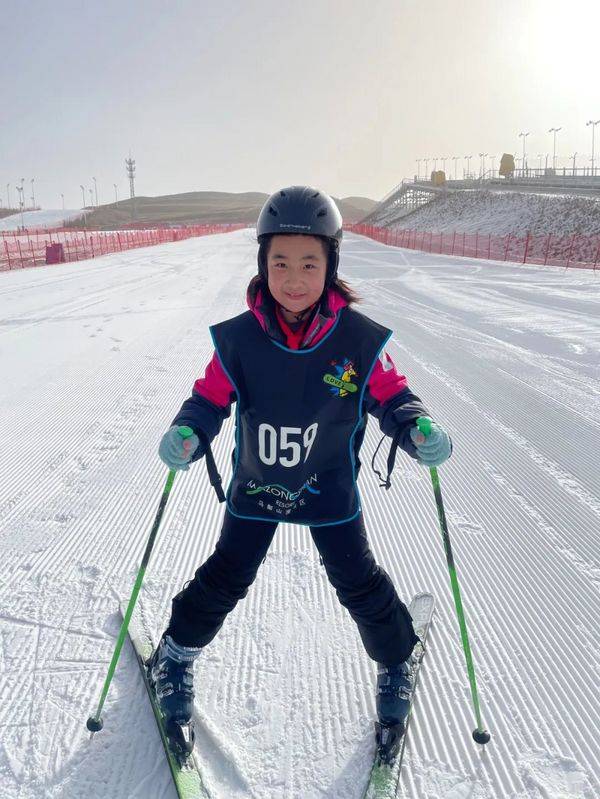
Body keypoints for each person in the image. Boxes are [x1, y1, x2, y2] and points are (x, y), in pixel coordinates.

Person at [148, 185, 452, 761]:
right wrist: (189, 431)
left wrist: (416, 427)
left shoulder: (359, 341)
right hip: (258, 485)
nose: (293, 278)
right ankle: (176, 654)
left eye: (309, 263)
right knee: (227, 575)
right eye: (279, 262)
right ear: (262, 264)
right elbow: (210, 397)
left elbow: (390, 393)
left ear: (331, 265)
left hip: (326, 483)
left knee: (357, 581)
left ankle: (395, 660)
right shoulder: (237, 339)